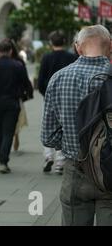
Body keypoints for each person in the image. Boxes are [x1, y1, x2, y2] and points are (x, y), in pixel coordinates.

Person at [41, 25, 112, 226]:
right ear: (111, 46)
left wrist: (70, 142)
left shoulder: (59, 78)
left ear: (78, 47)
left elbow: (48, 136)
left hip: (76, 168)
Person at [0, 39, 33, 174]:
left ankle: (1, 158)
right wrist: (25, 96)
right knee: (8, 132)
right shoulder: (17, 65)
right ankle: (4, 159)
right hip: (12, 101)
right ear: (11, 50)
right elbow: (25, 83)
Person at [38, 31, 78, 174]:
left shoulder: (46, 57)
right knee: (64, 126)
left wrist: (45, 94)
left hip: (49, 97)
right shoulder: (72, 57)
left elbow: (41, 79)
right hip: (67, 97)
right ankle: (60, 162)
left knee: (48, 125)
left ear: (51, 43)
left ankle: (48, 156)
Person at [10, 40, 34, 152]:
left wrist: (28, 92)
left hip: (16, 95)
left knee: (17, 119)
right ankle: (11, 139)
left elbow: (24, 79)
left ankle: (15, 137)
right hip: (10, 95)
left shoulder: (19, 61)